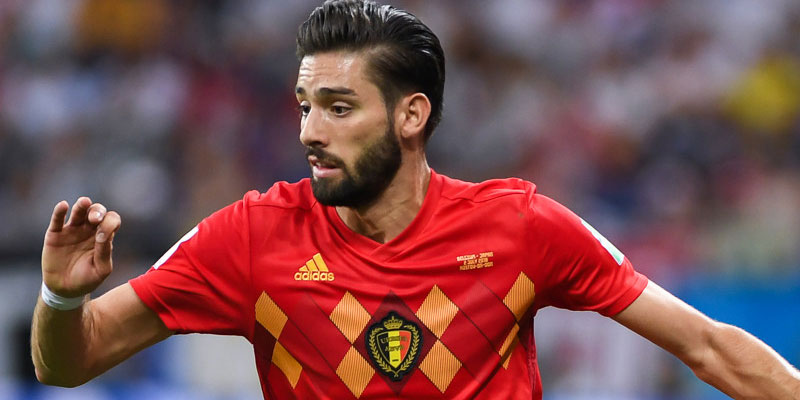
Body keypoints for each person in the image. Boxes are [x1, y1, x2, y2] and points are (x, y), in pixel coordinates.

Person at [31, 1, 800, 399]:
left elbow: (707, 346)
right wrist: (62, 301)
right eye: (304, 106)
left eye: (338, 107)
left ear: (411, 115)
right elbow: (71, 363)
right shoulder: (250, 236)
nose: (310, 131)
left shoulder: (521, 227)